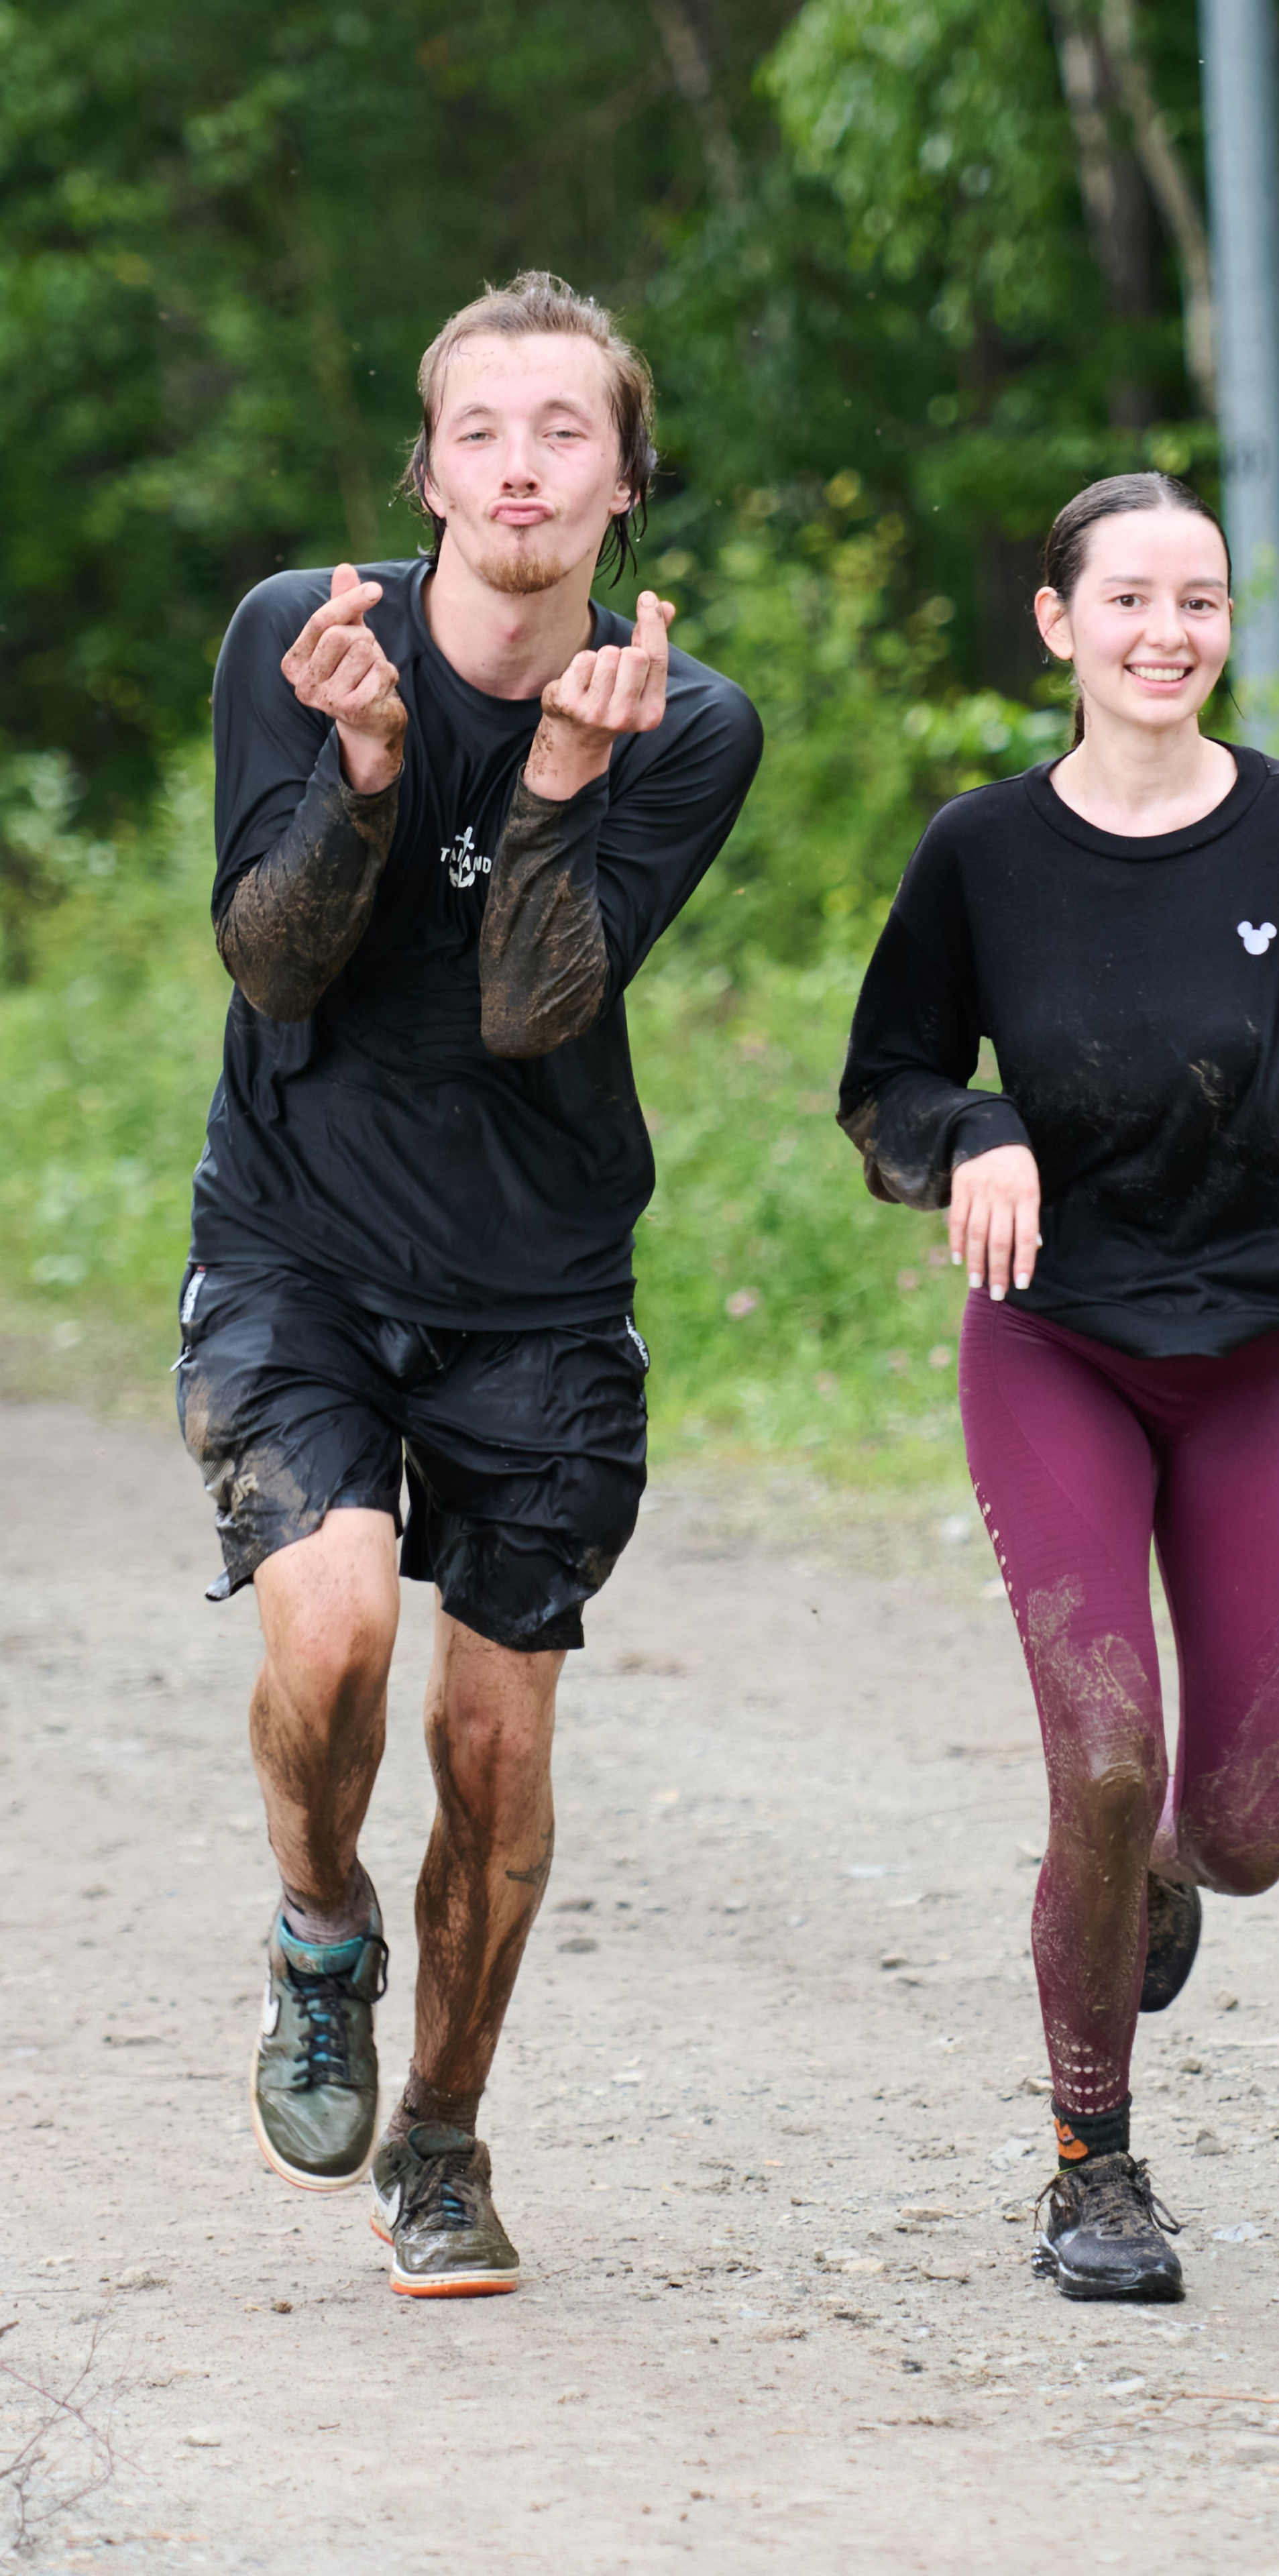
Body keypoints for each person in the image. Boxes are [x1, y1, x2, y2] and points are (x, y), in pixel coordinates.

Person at [837, 472, 1279, 2302]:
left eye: (1200, 600)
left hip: (1270, 1362)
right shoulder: (982, 852)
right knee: (1108, 1756)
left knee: (1240, 1831)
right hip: (1058, 1344)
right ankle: (1091, 2163)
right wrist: (969, 1133)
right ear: (1057, 622)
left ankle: (1148, 1872)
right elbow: (885, 1083)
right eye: (1128, 597)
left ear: (1227, 624)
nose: (1167, 631)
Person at [176, 272, 761, 2297]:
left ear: (624, 489)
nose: (521, 464)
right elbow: (268, 966)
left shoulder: (685, 722)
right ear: (426, 465)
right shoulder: (296, 634)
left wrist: (559, 790)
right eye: (483, 430)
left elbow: (532, 1009)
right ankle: (318, 1928)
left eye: (565, 433)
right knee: (330, 1640)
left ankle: (440, 2136)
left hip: (538, 1279)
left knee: (498, 1753)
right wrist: (357, 773)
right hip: (300, 1241)